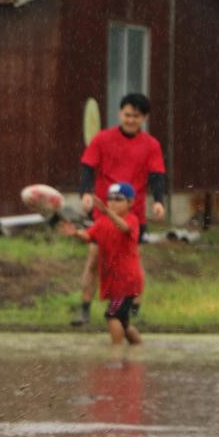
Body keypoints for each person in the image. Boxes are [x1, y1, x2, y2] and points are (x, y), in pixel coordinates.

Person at [73, 92, 166, 326]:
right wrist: (85, 194)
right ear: (119, 114)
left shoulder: (151, 145)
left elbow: (157, 175)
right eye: (127, 115)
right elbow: (87, 167)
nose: (130, 120)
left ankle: (133, 311)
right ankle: (84, 310)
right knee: (94, 258)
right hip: (104, 212)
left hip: (133, 215)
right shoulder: (102, 139)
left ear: (144, 118)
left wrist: (158, 201)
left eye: (136, 116)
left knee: (133, 262)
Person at [60, 182, 143, 345]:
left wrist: (107, 212)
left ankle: (116, 354)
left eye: (118, 199)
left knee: (111, 315)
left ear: (131, 203)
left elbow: (125, 228)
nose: (112, 202)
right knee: (124, 322)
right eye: (110, 199)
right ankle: (138, 349)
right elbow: (89, 235)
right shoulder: (102, 222)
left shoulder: (132, 220)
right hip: (113, 281)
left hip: (126, 281)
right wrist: (76, 233)